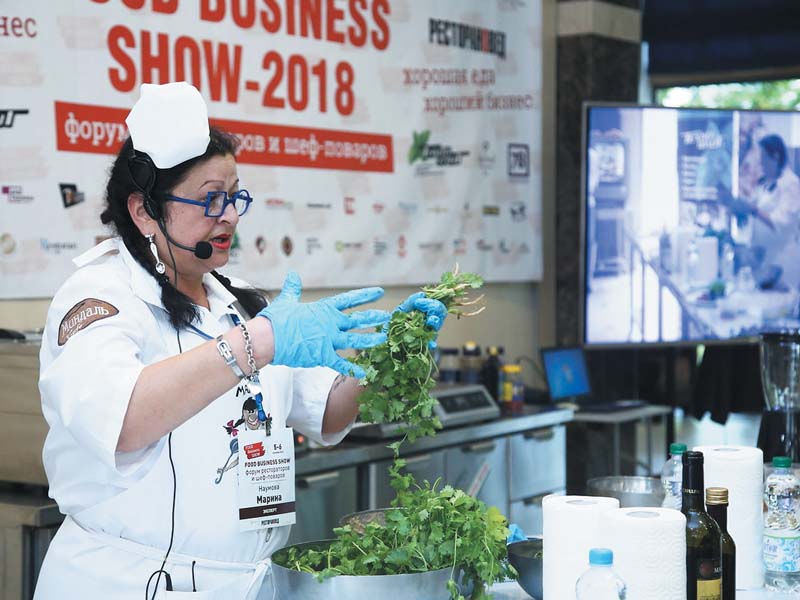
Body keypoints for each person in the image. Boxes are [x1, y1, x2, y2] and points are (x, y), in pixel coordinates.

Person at [34, 82, 447, 599]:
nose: (229, 215)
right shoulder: (99, 296)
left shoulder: (241, 302)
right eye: (210, 199)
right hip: (128, 583)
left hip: (246, 584)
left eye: (234, 197)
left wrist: (393, 353)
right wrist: (258, 342)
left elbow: (328, 412)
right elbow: (122, 421)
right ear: (144, 211)